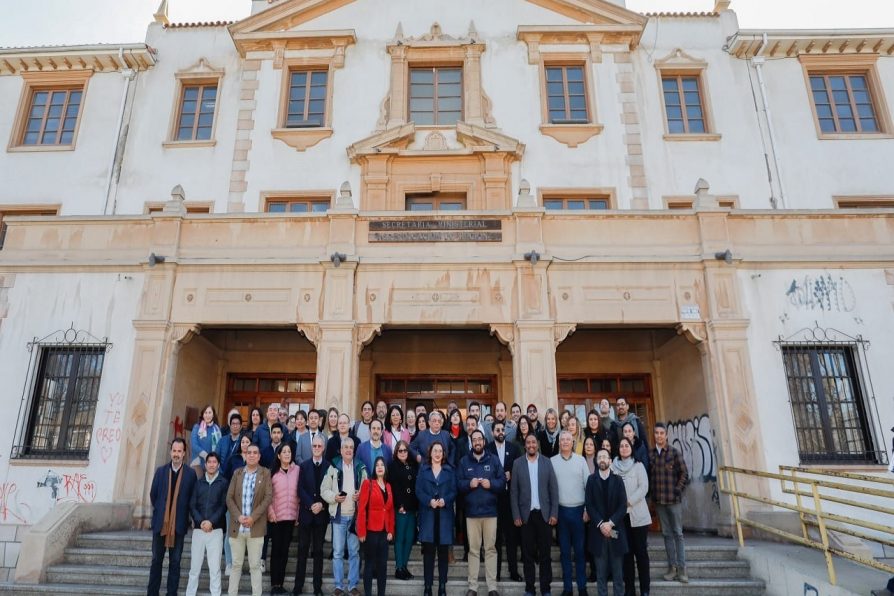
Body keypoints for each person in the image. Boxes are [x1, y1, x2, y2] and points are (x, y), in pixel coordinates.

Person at [457, 429, 504, 596]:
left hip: (490, 513)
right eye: (474, 439)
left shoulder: (494, 460)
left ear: (484, 441)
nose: (477, 442)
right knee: (474, 550)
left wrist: (490, 484)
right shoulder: (464, 462)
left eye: (479, 439)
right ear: (471, 442)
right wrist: (468, 484)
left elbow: (502, 483)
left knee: (491, 549)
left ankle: (492, 587)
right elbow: (459, 484)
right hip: (472, 514)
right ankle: (473, 587)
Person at [148, 438, 197, 596]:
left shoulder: (190, 474)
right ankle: (152, 593)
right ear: (171, 452)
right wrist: (163, 512)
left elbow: (192, 499)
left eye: (179, 451)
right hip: (160, 524)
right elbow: (153, 495)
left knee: (175, 563)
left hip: (179, 525)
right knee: (156, 561)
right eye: (174, 451)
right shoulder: (160, 471)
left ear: (184, 453)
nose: (176, 454)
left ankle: (171, 593)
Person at [511, 434, 558, 596]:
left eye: (533, 442)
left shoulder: (547, 462)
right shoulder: (517, 464)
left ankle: (546, 589)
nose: (531, 445)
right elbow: (514, 492)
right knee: (527, 555)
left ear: (537, 445)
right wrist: (516, 515)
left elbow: (553, 490)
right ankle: (530, 588)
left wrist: (554, 513)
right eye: (528, 442)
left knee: (545, 555)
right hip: (526, 517)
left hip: (544, 515)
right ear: (525, 446)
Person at [321, 437, 368, 596]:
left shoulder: (361, 467)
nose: (348, 450)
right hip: (339, 517)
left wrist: (360, 495)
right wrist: (335, 497)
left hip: (355, 517)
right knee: (338, 552)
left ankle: (353, 585)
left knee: (354, 553)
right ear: (341, 450)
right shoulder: (333, 467)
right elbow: (324, 490)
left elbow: (367, 490)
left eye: (351, 447)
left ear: (354, 450)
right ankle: (339, 586)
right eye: (345, 447)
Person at [226, 442, 272, 596]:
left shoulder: (265, 473)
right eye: (249, 452)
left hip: (255, 527)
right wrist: (238, 516)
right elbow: (229, 498)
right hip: (237, 527)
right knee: (236, 565)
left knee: (255, 566)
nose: (252, 455)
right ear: (245, 455)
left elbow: (268, 497)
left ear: (259, 456)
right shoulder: (237, 473)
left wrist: (253, 517)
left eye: (255, 453)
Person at [649, 422, 689, 583]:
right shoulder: (651, 454)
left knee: (678, 534)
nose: (659, 435)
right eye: (656, 433)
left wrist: (677, 489)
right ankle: (671, 568)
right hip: (659, 501)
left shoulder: (674, 453)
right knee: (666, 534)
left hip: (674, 501)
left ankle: (682, 569)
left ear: (666, 435)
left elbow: (684, 473)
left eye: (661, 433)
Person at [552, 430, 591, 596]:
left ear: (572, 442)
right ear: (559, 443)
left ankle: (582, 587)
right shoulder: (552, 462)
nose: (566, 442)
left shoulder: (581, 461)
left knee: (580, 552)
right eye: (563, 440)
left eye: (568, 439)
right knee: (565, 552)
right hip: (561, 512)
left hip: (578, 512)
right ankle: (568, 588)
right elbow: (550, 489)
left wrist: (587, 510)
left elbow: (588, 488)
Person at [585, 449, 628, 596]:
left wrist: (610, 523)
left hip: (616, 531)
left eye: (605, 457)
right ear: (597, 461)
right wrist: (601, 524)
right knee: (601, 575)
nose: (602, 459)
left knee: (618, 575)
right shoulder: (591, 480)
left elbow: (623, 506)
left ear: (610, 461)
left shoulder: (618, 480)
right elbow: (589, 505)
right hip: (598, 532)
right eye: (600, 457)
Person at [416, 442, 457, 596]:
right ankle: (427, 587)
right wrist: (429, 501)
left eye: (440, 451)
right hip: (428, 516)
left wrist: (445, 500)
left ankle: (442, 586)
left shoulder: (449, 471)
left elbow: (454, 490)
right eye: (435, 451)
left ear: (443, 454)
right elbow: (418, 490)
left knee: (442, 555)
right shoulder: (423, 470)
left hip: (444, 516)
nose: (438, 453)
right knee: (428, 555)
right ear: (430, 452)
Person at [186, 451, 228, 596]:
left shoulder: (223, 483)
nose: (211, 464)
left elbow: (223, 506)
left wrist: (211, 522)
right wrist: (201, 521)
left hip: (215, 531)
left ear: (218, 465)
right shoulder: (199, 482)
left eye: (214, 462)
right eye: (209, 462)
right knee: (194, 568)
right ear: (205, 464)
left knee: (214, 569)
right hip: (198, 530)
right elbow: (192, 505)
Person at [612, 437, 651, 596]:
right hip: (621, 518)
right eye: (621, 446)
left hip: (638, 516)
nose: (624, 448)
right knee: (626, 554)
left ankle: (645, 589)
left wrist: (628, 502)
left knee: (641, 553)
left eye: (626, 445)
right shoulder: (613, 467)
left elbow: (644, 488)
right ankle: (630, 590)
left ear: (631, 448)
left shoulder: (638, 466)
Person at [486, 419, 522, 583]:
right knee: (495, 539)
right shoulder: (488, 449)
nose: (500, 432)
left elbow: (521, 470)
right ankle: (497, 573)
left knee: (511, 538)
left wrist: (512, 475)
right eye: (497, 430)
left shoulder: (514, 449)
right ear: (493, 432)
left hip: (510, 500)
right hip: (493, 500)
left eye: (503, 430)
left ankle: (513, 571)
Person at [295, 433, 330, 596]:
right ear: (311, 448)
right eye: (314, 446)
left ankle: (317, 587)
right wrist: (311, 505)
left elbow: (331, 491)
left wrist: (321, 505)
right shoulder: (304, 466)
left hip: (321, 516)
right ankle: (298, 586)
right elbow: (300, 489)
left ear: (323, 448)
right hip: (306, 515)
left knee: (318, 551)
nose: (316, 448)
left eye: (319, 446)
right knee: (302, 551)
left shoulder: (330, 467)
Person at [357, 457, 395, 596]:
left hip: (384, 533)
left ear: (385, 468)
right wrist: (361, 531)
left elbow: (390, 510)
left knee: (382, 566)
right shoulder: (368, 484)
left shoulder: (389, 486)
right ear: (374, 468)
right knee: (369, 565)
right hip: (370, 531)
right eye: (377, 465)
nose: (379, 467)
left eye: (382, 465)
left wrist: (390, 530)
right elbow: (361, 509)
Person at [268, 443, 300, 595]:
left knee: (285, 551)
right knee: (276, 551)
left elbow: (300, 493)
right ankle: (274, 585)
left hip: (291, 517)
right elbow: (268, 496)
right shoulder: (273, 473)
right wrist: (270, 512)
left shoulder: (297, 471)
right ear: (279, 455)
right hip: (276, 518)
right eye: (284, 452)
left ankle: (280, 583)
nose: (287, 454)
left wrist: (298, 514)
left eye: (289, 452)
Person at [388, 440, 418, 581]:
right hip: (400, 507)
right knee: (400, 538)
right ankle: (399, 567)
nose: (402, 453)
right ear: (396, 452)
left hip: (412, 507)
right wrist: (399, 504)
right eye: (400, 450)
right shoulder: (393, 466)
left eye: (405, 450)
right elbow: (393, 487)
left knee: (409, 538)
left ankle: (404, 566)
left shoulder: (412, 465)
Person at [190, 404, 222, 471]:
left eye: (210, 413)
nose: (207, 415)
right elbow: (193, 444)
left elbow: (219, 447)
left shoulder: (217, 429)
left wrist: (211, 459)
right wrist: (205, 455)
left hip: (211, 464)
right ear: (203, 414)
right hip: (197, 462)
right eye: (205, 413)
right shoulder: (197, 427)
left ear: (213, 415)